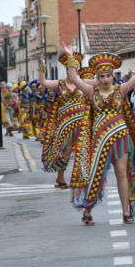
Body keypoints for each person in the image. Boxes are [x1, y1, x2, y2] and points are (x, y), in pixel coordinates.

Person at [62, 46, 135, 225]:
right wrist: (70, 58)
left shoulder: (121, 90)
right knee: (95, 174)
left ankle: (125, 211)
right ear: (97, 78)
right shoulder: (91, 92)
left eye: (108, 75)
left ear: (113, 76)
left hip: (120, 137)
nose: (106, 79)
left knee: (122, 172)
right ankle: (87, 210)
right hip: (100, 138)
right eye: (102, 76)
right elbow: (74, 78)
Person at [39, 52, 97, 188]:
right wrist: (42, 67)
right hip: (65, 123)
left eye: (74, 68)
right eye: (69, 68)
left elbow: (100, 81)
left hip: (82, 122)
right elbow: (43, 82)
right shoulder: (59, 83)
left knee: (84, 149)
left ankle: (83, 177)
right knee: (65, 150)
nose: (71, 71)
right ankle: (60, 177)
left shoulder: (83, 82)